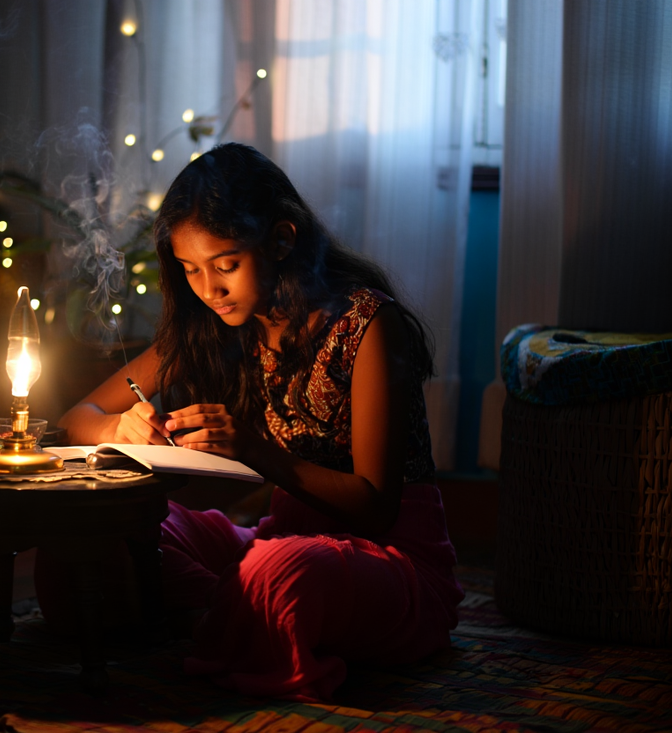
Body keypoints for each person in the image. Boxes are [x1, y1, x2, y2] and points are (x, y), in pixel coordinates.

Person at [52, 142, 464, 702]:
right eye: (190, 270)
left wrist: (249, 447)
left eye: (226, 265)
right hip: (278, 540)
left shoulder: (366, 324)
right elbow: (78, 417)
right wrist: (117, 430)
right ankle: (233, 612)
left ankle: (229, 611)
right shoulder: (217, 322)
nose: (208, 289)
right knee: (103, 531)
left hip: (392, 566)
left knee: (278, 574)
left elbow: (375, 505)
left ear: (281, 240)